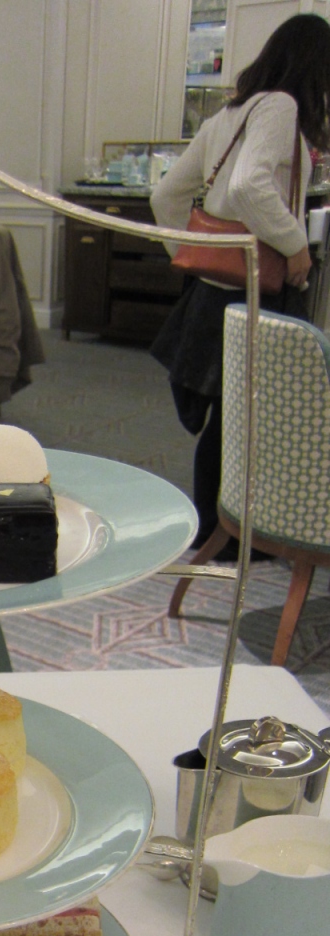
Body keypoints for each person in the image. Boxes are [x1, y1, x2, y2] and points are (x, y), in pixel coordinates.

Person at [150, 13, 330, 551]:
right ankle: (236, 537)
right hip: (260, 291)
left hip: (214, 296)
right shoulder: (281, 107)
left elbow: (165, 197)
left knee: (231, 420)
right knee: (256, 419)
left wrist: (197, 256)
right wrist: (295, 244)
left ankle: (217, 530)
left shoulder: (230, 112)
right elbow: (251, 186)